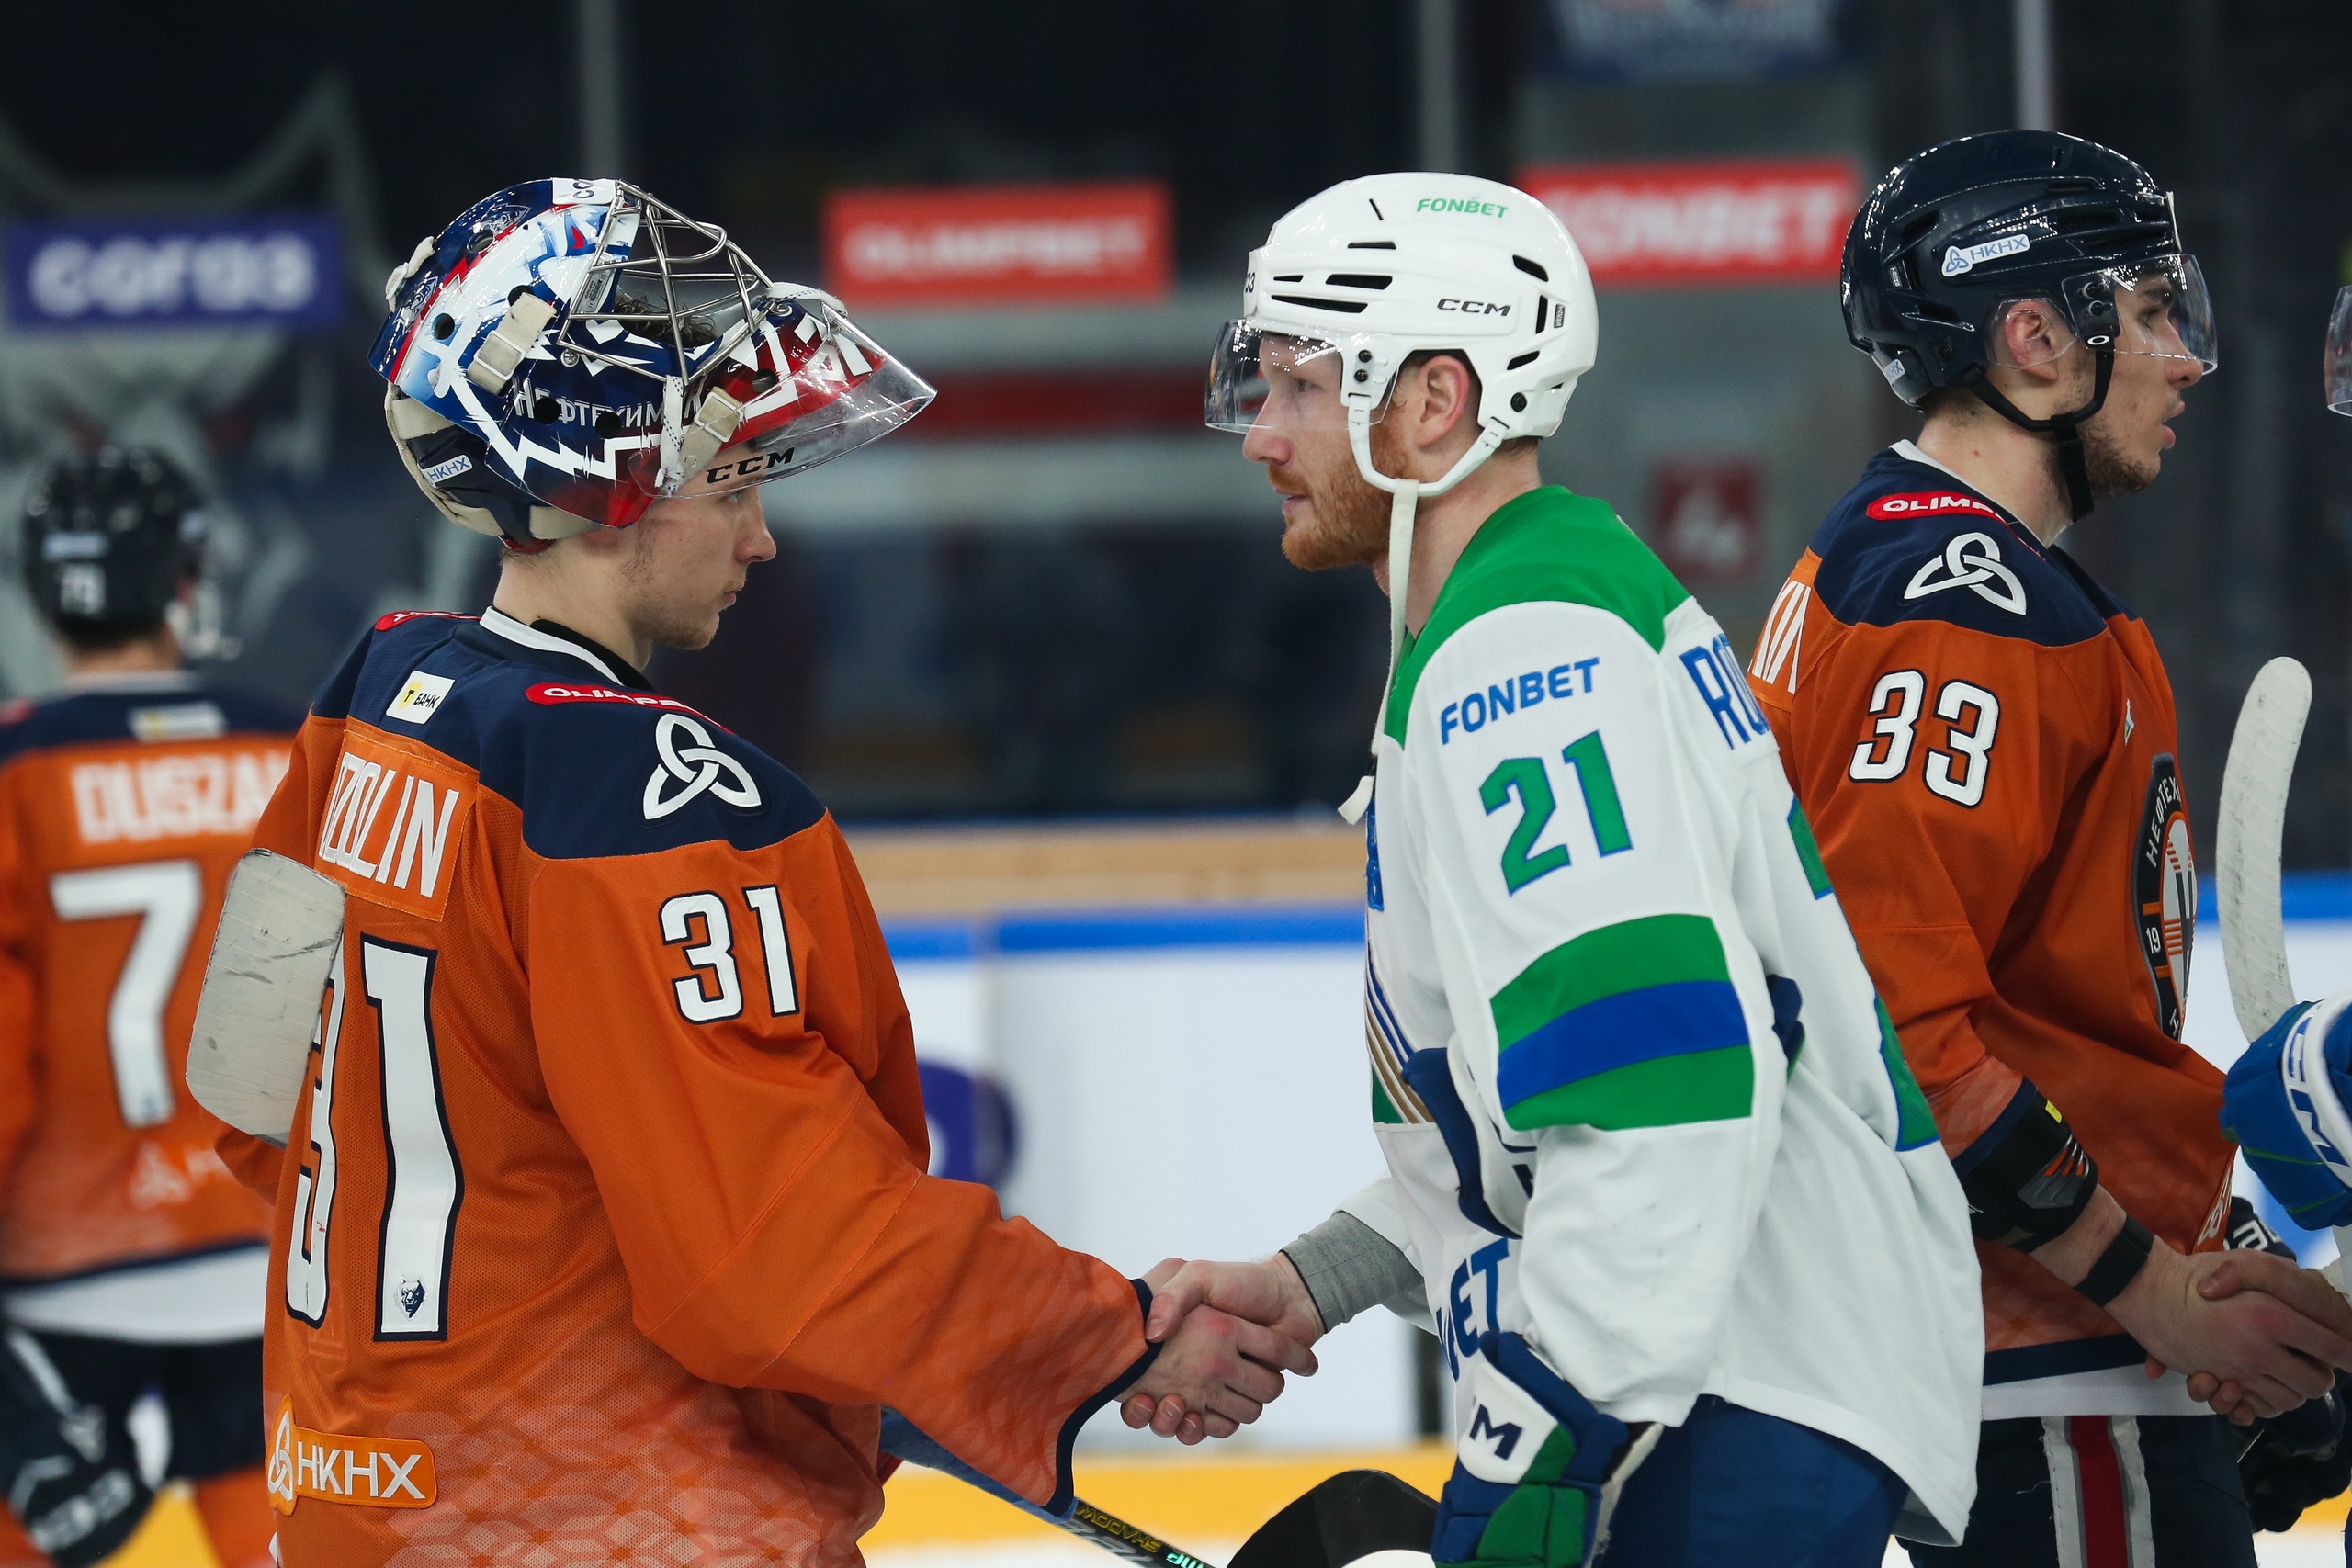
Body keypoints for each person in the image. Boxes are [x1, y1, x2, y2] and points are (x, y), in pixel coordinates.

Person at [213, 179, 1308, 1566]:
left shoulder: (374, 699)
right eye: (730, 482)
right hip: (614, 1528)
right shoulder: (639, 788)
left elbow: (250, 1101)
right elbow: (778, 1246)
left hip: (350, 1500)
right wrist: (1106, 1336)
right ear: (601, 485)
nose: (760, 537)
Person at [1132, 171, 1984, 1565]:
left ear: (1435, 401)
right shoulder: (1531, 610)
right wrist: (1316, 1280)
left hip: (1713, 1404)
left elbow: (1659, 1081)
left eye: (1300, 386)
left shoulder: (1524, 652)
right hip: (1703, 1382)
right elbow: (1543, 1118)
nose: (1262, 434)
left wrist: (1551, 1426)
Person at [1728, 129, 2352, 1565]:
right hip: (2043, 1371)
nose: (2185, 360)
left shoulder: (1921, 569)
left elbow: (2058, 1021)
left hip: (2053, 1353)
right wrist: (2150, 1288)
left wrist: (2212, 1256)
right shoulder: (1963, 606)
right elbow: (1897, 1032)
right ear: (2035, 338)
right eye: (2152, 311)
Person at [0, 448, 299, 1568]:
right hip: (282, 1274)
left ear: (41, 594)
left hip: (62, 1285)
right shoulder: (298, 752)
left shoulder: (14, 773)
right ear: (187, 580)